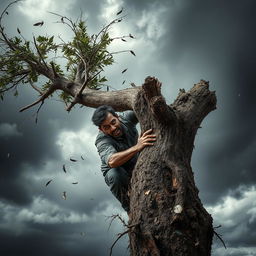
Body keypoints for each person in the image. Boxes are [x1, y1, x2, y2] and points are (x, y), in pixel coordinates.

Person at [92, 105, 156, 212]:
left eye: (113, 122)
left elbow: (145, 106)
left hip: (138, 164)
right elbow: (112, 161)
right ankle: (131, 211)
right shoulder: (101, 141)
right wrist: (137, 147)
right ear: (101, 129)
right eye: (106, 127)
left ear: (118, 117)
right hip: (120, 175)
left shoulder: (126, 118)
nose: (113, 128)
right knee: (114, 174)